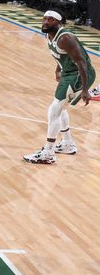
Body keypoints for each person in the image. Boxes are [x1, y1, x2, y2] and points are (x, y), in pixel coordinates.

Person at [23, 10, 96, 164]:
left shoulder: (65, 38)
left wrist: (84, 89)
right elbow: (59, 56)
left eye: (51, 20)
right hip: (69, 72)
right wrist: (57, 69)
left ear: (58, 22)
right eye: (44, 18)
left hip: (79, 74)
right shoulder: (49, 35)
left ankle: (48, 152)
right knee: (59, 108)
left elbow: (82, 62)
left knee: (54, 110)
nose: (46, 22)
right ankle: (67, 144)